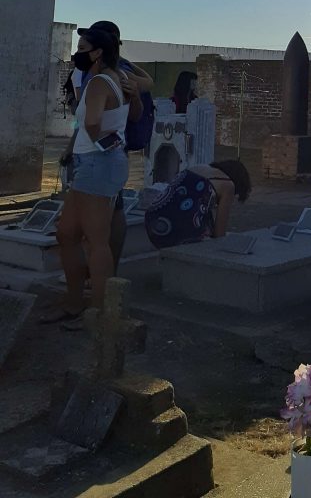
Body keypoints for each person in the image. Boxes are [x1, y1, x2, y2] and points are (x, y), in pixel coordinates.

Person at [42, 28, 130, 326]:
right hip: (93, 162)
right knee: (67, 233)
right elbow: (136, 105)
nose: (76, 52)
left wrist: (104, 140)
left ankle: (98, 312)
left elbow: (91, 123)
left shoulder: (97, 84)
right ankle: (75, 301)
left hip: (98, 164)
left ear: (97, 52)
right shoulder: (114, 78)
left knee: (95, 240)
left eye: (82, 47)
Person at [63, 20, 154, 274]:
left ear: (101, 48)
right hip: (110, 150)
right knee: (107, 216)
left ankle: (100, 282)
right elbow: (148, 83)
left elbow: (87, 119)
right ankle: (105, 276)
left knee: (93, 230)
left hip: (97, 154)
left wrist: (78, 142)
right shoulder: (121, 73)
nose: (79, 51)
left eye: (85, 45)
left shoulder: (98, 76)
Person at [144, 160, 252, 248]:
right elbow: (219, 235)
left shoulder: (200, 167)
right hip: (175, 226)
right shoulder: (228, 185)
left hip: (153, 218)